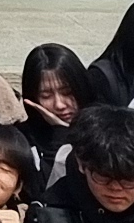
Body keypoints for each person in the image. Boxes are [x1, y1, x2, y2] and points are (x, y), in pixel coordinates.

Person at [12, 44, 95, 192]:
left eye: (67, 92)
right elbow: (44, 191)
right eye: (46, 96)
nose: (59, 104)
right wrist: (60, 135)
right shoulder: (21, 139)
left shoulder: (103, 130)